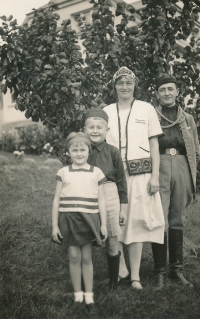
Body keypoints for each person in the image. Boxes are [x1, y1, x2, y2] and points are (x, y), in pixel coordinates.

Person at [103, 66, 165, 290]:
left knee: (137, 220)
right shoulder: (107, 111)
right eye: (120, 83)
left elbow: (154, 144)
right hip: (115, 176)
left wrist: (155, 175)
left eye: (128, 82)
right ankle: (121, 267)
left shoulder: (146, 109)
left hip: (141, 174)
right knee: (116, 222)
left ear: (135, 85)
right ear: (115, 86)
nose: (125, 87)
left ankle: (136, 276)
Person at [151, 74, 200, 289]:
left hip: (181, 166)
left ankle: (176, 271)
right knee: (159, 218)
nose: (167, 93)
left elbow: (196, 149)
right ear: (157, 94)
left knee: (177, 219)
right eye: (162, 90)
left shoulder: (187, 119)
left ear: (177, 92)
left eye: (170, 89)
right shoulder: (151, 116)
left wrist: (195, 176)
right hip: (159, 165)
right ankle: (160, 272)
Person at [51, 132, 107, 311]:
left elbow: (102, 200)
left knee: (86, 257)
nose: (79, 153)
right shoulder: (63, 172)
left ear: (89, 151)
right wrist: (54, 225)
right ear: (68, 152)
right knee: (74, 257)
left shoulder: (96, 172)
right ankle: (78, 295)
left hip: (89, 218)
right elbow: (56, 199)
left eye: (83, 149)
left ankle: (89, 296)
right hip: (68, 218)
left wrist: (104, 224)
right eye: (74, 150)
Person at [85, 108, 128, 291]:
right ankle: (85, 280)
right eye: (91, 127)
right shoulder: (81, 150)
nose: (95, 131)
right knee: (85, 237)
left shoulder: (113, 152)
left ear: (107, 130)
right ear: (85, 129)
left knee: (111, 238)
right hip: (87, 194)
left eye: (99, 127)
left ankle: (113, 282)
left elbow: (121, 182)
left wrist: (123, 208)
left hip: (110, 194)